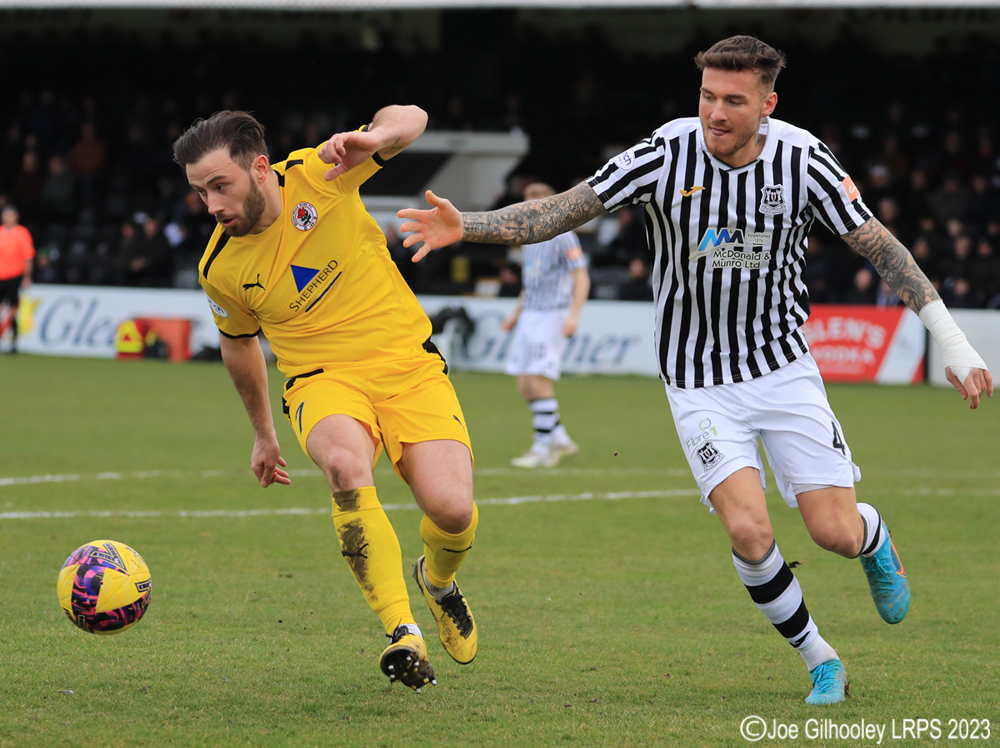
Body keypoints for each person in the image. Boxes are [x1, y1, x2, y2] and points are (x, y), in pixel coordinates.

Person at [399, 36, 993, 705]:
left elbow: (880, 247)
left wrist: (953, 341)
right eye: (707, 95)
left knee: (833, 531)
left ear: (768, 104)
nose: (715, 112)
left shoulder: (803, 162)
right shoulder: (666, 153)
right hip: (698, 379)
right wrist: (467, 226)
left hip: (783, 369)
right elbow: (565, 207)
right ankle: (820, 658)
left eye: (733, 101)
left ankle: (873, 537)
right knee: (749, 529)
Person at [172, 108, 479, 691]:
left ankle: (437, 582)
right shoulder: (220, 268)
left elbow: (413, 117)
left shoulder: (321, 172)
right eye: (200, 192)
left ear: (261, 169)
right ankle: (402, 632)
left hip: (408, 366)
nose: (211, 205)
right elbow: (239, 347)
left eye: (220, 186)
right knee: (343, 464)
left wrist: (377, 136)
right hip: (321, 379)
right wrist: (264, 434)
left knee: (452, 510)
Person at [501, 182, 590, 468]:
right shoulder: (529, 239)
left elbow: (581, 276)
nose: (531, 208)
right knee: (524, 383)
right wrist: (516, 313)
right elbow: (531, 283)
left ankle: (541, 449)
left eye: (536, 203)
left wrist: (574, 315)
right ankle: (561, 439)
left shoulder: (563, 236)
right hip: (530, 314)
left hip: (552, 314)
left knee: (538, 381)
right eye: (527, 203)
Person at [0, 204, 35, 353]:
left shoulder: (22, 232)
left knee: (13, 308)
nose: (7, 218)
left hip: (14, 275)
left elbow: (28, 256)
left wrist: (27, 276)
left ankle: (13, 342)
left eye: (10, 215)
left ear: (16, 217)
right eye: (5, 215)